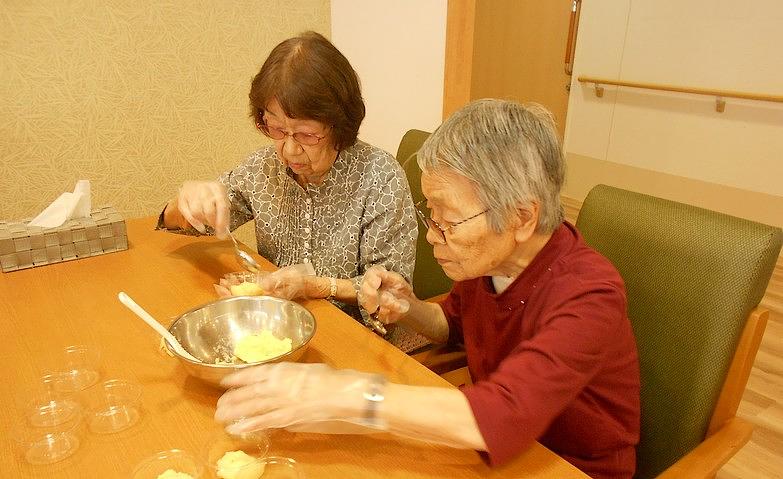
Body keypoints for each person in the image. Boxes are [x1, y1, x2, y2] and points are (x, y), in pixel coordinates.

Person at [213, 99, 641, 479]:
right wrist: (410, 307)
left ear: (522, 217)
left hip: (569, 465)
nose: (433, 235)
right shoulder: (489, 260)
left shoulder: (590, 294)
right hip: (492, 451)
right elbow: (452, 325)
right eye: (430, 214)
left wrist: (346, 394)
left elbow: (504, 411)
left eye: (448, 220)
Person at [157, 32, 422, 350]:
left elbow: (391, 292)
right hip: (277, 332)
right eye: (276, 129)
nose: (289, 149)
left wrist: (313, 286)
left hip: (357, 341)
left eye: (307, 134)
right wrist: (186, 199)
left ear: (340, 124)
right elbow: (187, 224)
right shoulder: (263, 168)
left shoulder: (379, 177)